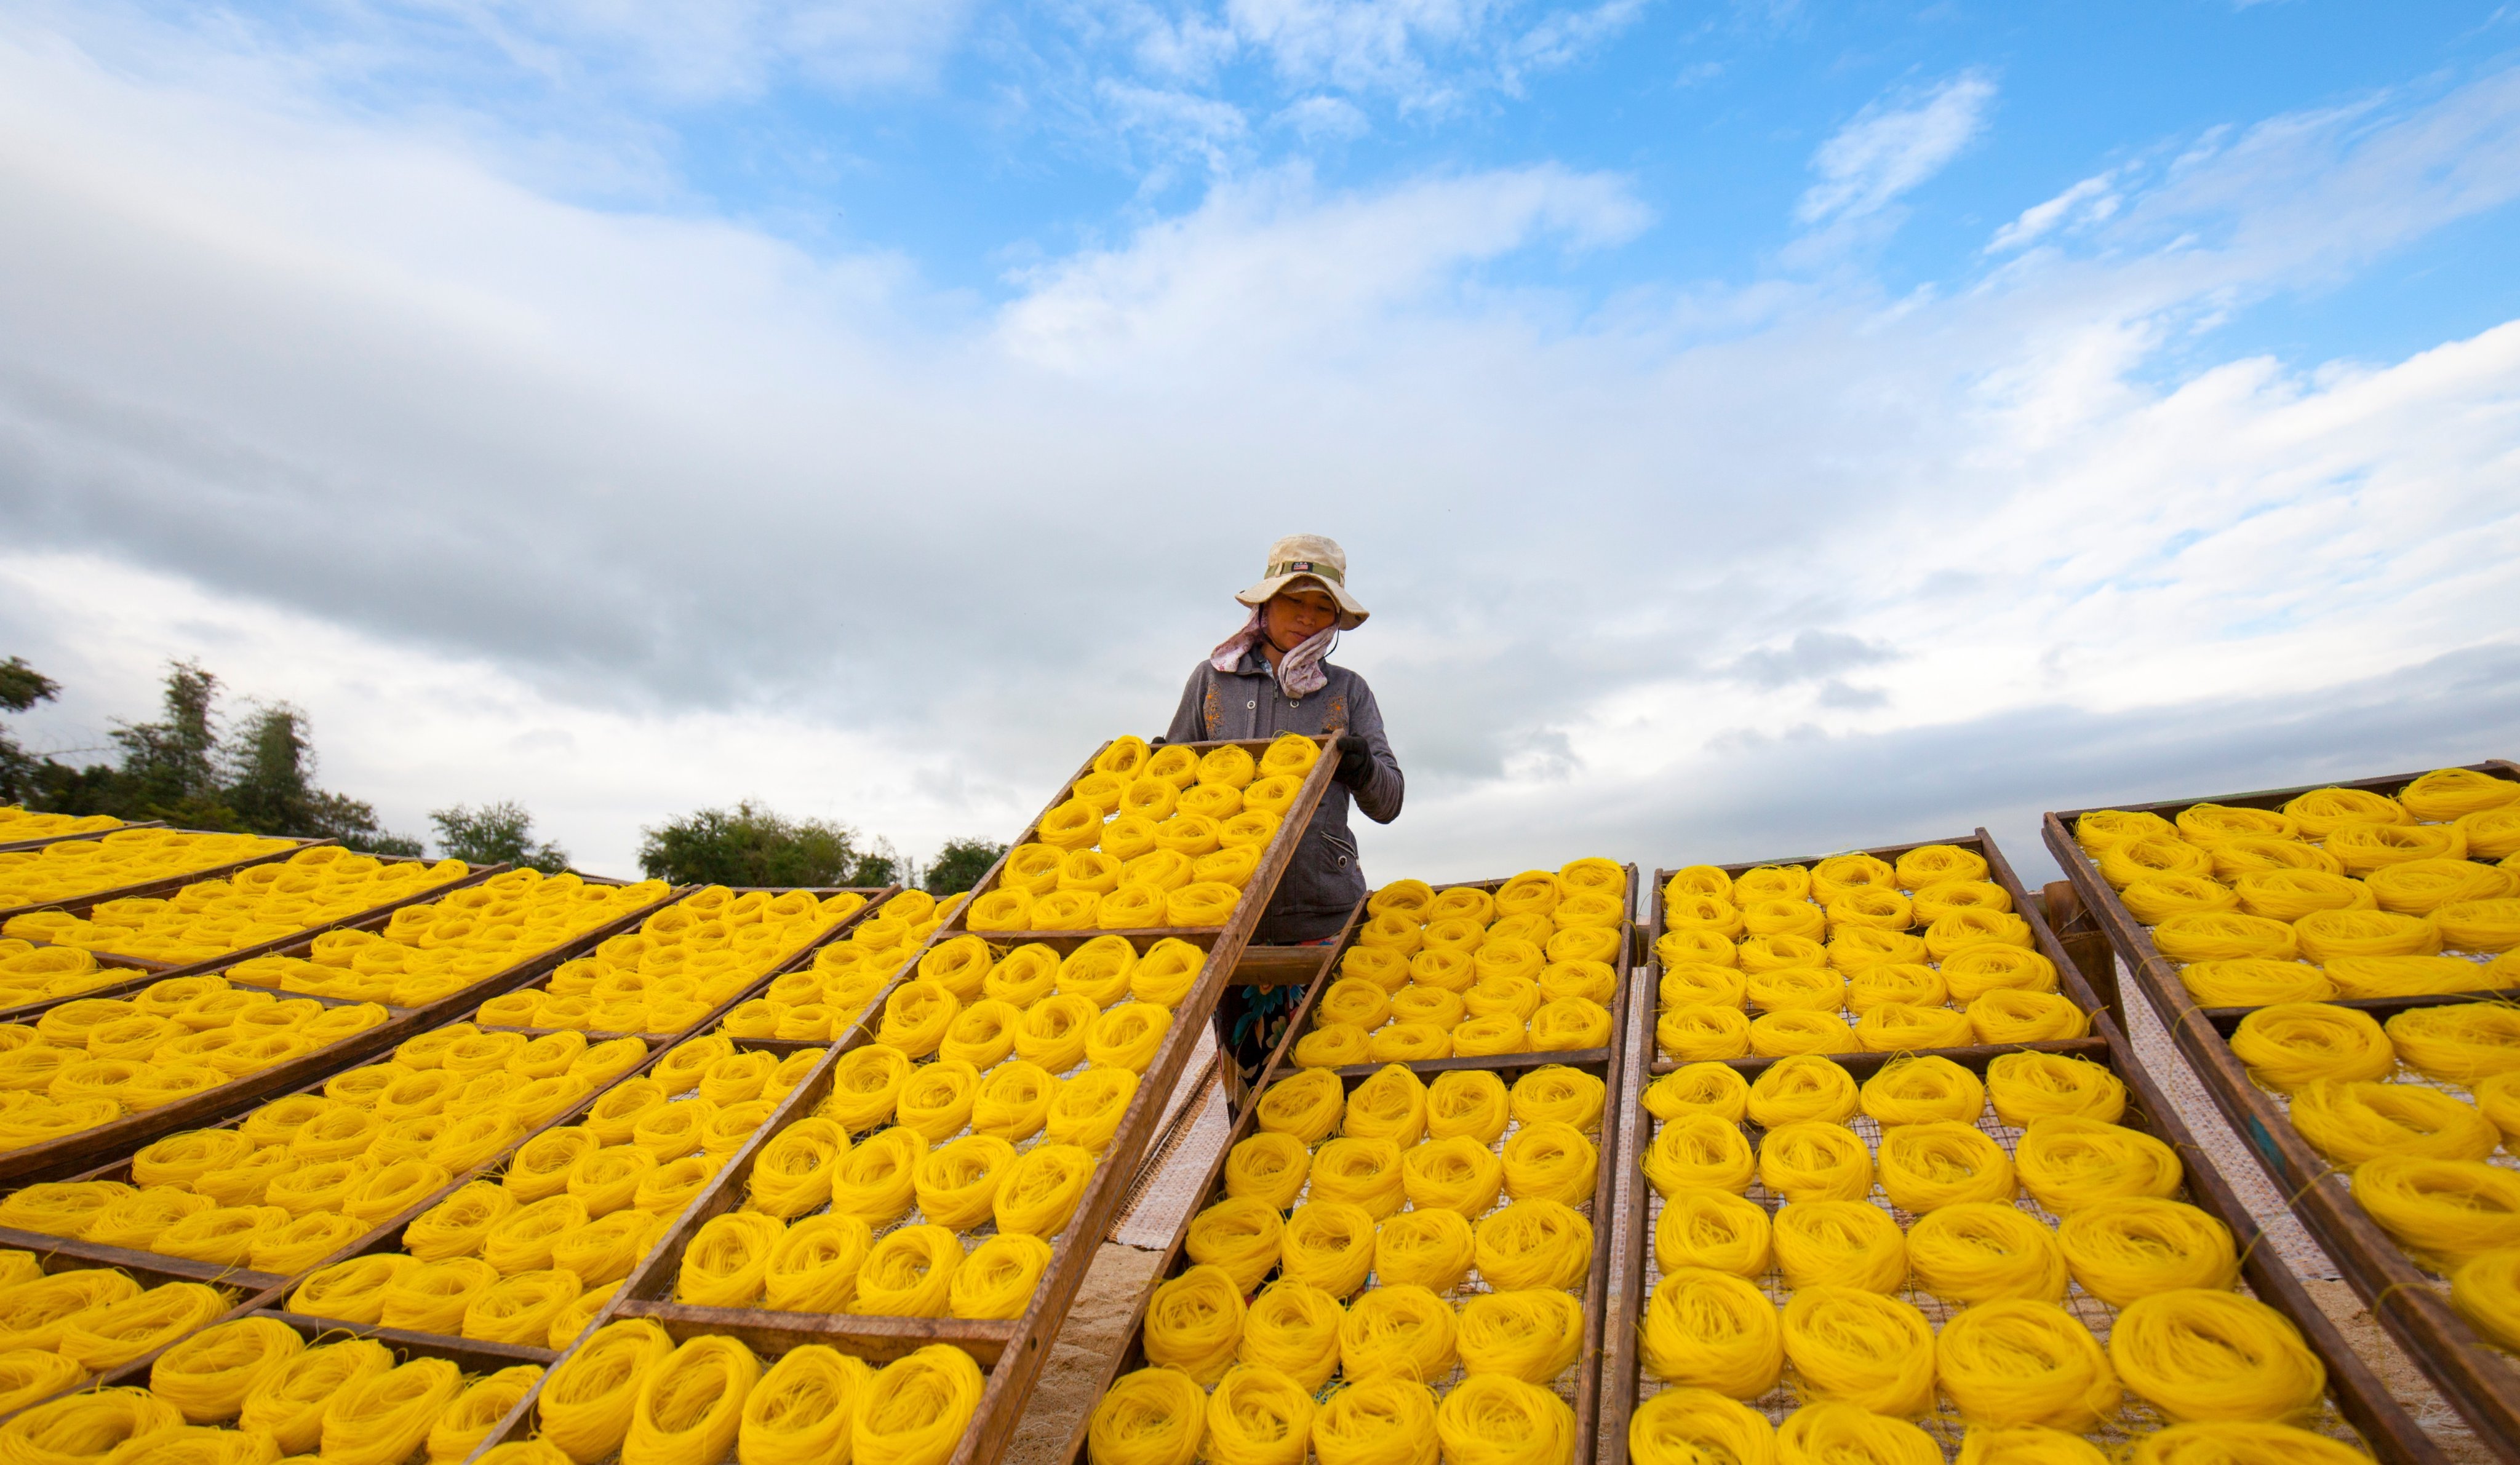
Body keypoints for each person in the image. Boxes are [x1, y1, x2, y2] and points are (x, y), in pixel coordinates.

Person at [1162, 534, 1403, 1100]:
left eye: (1323, 607)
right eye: (1295, 600)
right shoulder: (1212, 682)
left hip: (1323, 923)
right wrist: (1164, 775)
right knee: (1250, 1111)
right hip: (1233, 928)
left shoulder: (1347, 692)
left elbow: (1388, 802)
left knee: (1329, 1098)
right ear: (1263, 606)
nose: (1307, 617)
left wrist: (1361, 765)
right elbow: (1174, 808)